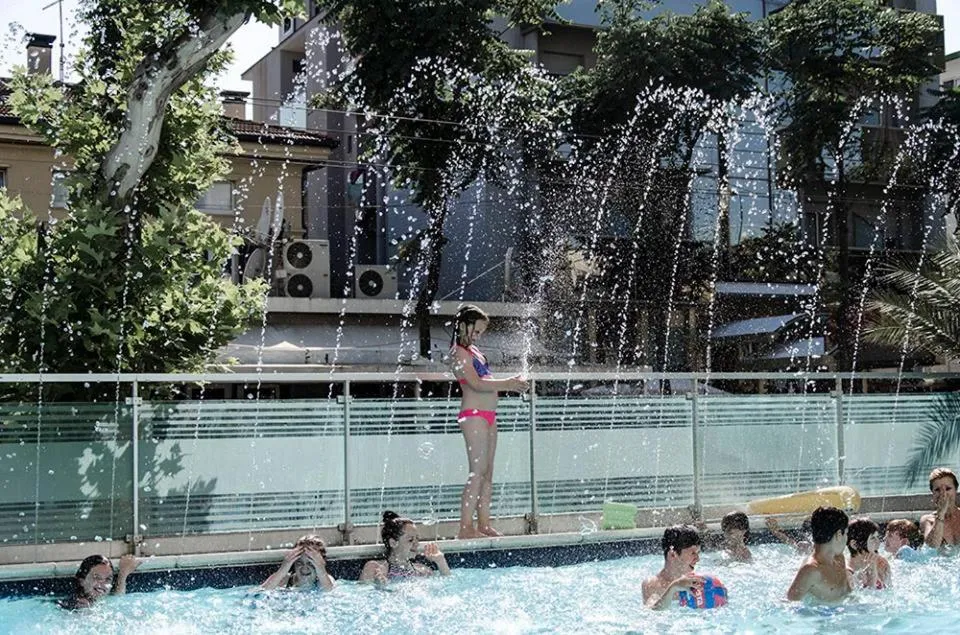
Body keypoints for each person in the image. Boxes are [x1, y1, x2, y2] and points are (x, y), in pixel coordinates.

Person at [449, 304, 528, 539]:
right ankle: (465, 527)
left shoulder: (474, 352)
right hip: (473, 415)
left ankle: (483, 524)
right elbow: (476, 384)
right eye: (476, 330)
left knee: (488, 472)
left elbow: (485, 380)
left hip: (489, 416)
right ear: (464, 325)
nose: (478, 335)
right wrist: (508, 384)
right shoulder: (458, 352)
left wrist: (508, 384)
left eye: (481, 332)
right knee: (477, 472)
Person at [359, 511, 451, 584]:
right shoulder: (375, 568)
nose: (416, 544)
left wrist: (440, 561)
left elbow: (446, 586)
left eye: (417, 539)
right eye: (410, 540)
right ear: (393, 543)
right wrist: (379, 587)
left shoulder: (423, 571)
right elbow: (363, 595)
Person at [786, 506, 852, 603]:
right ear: (838, 534)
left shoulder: (839, 559)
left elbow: (849, 595)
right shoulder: (810, 570)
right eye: (846, 533)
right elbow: (789, 605)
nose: (847, 539)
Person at [642, 524, 704, 610]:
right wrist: (673, 587)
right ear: (672, 554)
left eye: (698, 553)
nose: (698, 559)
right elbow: (652, 610)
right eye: (693, 553)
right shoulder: (653, 584)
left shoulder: (698, 581)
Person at [59, 554, 141, 610]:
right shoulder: (80, 606)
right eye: (97, 577)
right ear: (81, 581)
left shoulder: (93, 603)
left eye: (108, 579)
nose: (103, 584)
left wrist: (123, 574)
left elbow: (118, 598)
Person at [261, 535, 334, 591]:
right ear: (293, 562)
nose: (305, 567)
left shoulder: (323, 581)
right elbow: (261, 592)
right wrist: (282, 570)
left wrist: (321, 568)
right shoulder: (285, 580)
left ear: (320, 564)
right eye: (299, 562)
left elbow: (329, 591)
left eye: (311, 563)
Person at [920, 467, 960, 549]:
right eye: (937, 490)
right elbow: (932, 547)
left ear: (956, 490)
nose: (943, 494)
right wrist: (941, 513)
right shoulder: (927, 520)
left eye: (948, 489)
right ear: (933, 494)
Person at [846, 518, 890, 590]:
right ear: (854, 545)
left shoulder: (882, 564)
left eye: (877, 537)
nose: (878, 543)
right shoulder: (847, 574)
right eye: (872, 538)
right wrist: (872, 573)